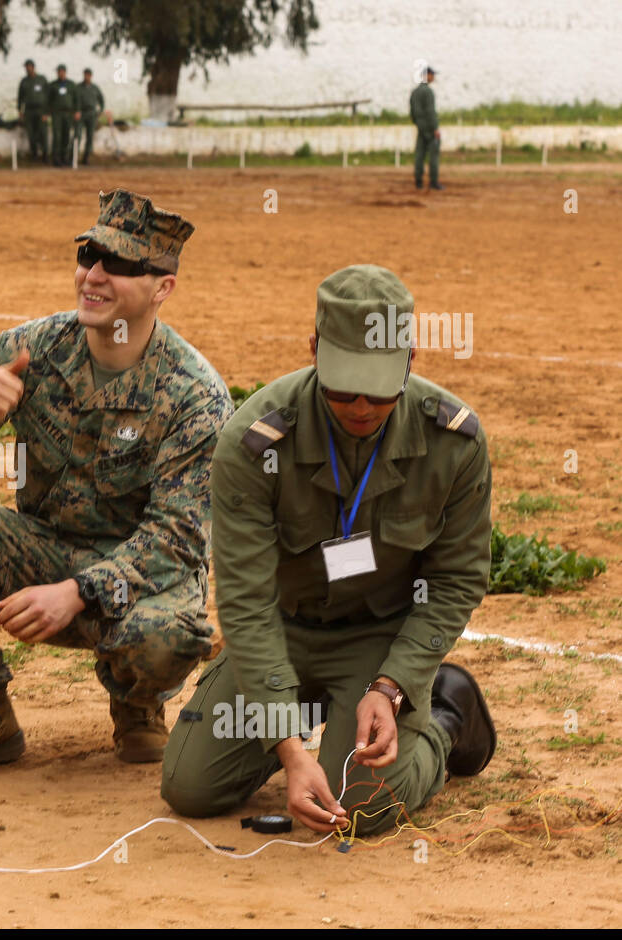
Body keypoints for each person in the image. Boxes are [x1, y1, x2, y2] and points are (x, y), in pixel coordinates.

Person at [0, 188, 232, 778]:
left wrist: (77, 591)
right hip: (44, 548)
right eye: (88, 255)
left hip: (138, 577)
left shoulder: (195, 394)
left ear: (163, 288)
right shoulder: (32, 350)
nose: (94, 276)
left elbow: (175, 540)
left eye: (122, 264)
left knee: (170, 639)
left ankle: (138, 704)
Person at [161, 265, 497, 836]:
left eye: (379, 389)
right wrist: (290, 748)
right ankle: (310, 716)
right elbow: (245, 601)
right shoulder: (253, 444)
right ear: (313, 349)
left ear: (410, 359)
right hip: (281, 634)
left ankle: (444, 715)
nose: (361, 406)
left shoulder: (454, 443)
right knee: (191, 791)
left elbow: (456, 581)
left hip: (378, 639)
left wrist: (392, 687)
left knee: (361, 811)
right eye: (343, 387)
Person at [410, 66, 442, 191]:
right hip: (429, 128)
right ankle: (433, 181)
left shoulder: (415, 92)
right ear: (426, 76)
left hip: (420, 127)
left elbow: (413, 112)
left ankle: (418, 182)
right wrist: (435, 128)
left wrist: (418, 124)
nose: (433, 77)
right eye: (432, 75)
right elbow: (430, 111)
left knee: (419, 155)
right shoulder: (428, 92)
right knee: (433, 156)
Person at [47, 64, 79, 166]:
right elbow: (48, 100)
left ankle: (65, 158)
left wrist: (77, 111)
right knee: (57, 136)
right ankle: (56, 159)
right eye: (58, 71)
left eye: (62, 71)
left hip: (68, 113)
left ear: (65, 72)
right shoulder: (53, 85)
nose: (60, 73)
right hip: (57, 114)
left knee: (66, 136)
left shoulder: (71, 85)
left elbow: (76, 99)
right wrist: (47, 112)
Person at [16, 59, 48, 162]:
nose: (27, 68)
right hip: (29, 111)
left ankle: (45, 155)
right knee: (31, 134)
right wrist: (20, 111)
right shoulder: (24, 81)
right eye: (26, 67)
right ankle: (34, 154)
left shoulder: (42, 79)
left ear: (33, 67)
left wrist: (46, 112)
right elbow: (20, 97)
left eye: (29, 66)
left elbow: (48, 96)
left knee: (42, 133)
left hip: (41, 110)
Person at [76, 68, 105, 165]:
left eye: (88, 75)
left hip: (92, 114)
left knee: (90, 137)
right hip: (81, 114)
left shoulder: (95, 88)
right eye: (85, 75)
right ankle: (73, 157)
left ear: (91, 76)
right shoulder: (79, 87)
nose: (86, 76)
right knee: (78, 135)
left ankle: (86, 158)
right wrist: (76, 111)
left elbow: (101, 100)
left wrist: (100, 111)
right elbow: (74, 100)